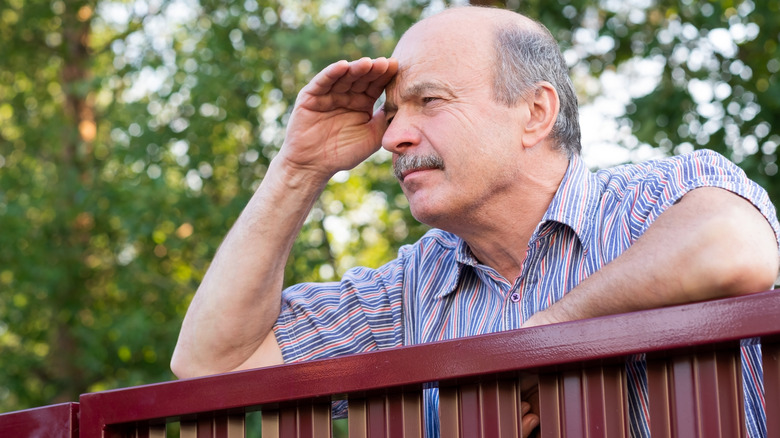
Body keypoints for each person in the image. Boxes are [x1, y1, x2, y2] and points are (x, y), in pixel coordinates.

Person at [171, 6, 780, 437]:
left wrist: (538, 343)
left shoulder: (658, 198)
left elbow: (732, 250)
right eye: (392, 113)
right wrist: (298, 168)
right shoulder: (407, 291)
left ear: (535, 112)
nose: (394, 136)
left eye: (429, 101)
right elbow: (212, 362)